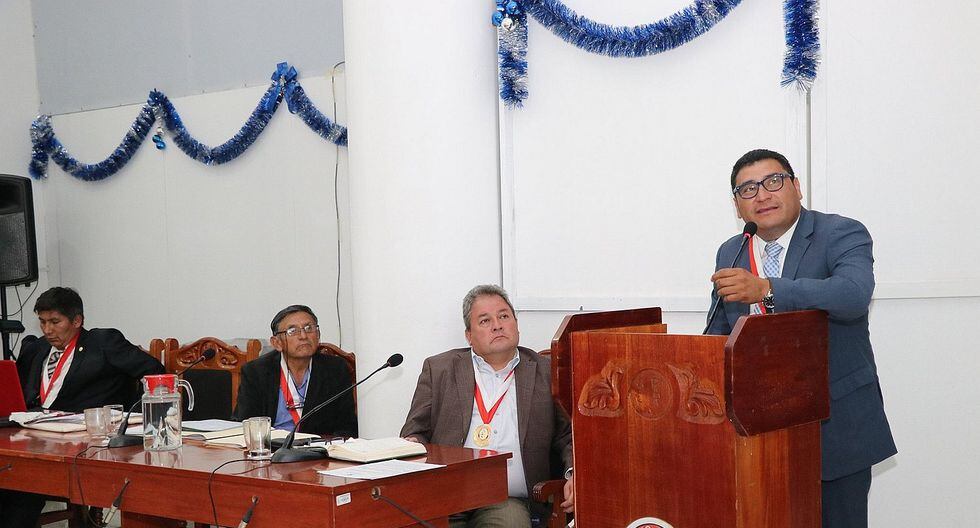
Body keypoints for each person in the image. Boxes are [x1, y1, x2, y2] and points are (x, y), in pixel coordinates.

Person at [706, 149, 897, 528]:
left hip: (833, 424)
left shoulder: (840, 233)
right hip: (756, 429)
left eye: (773, 181)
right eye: (748, 189)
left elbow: (853, 295)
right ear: (737, 205)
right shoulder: (732, 250)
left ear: (796, 186)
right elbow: (720, 330)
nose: (762, 195)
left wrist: (767, 289)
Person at [401, 285, 574, 528]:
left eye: (504, 316)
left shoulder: (546, 371)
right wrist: (411, 444)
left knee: (510, 523)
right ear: (469, 336)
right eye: (485, 320)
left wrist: (574, 474)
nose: (497, 325)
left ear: (516, 324)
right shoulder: (439, 369)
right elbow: (414, 432)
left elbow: (569, 436)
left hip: (507, 499)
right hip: (445, 495)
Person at [3, 286, 165, 527]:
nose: (47, 330)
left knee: (21, 488)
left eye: (55, 322)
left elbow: (155, 374)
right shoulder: (36, 349)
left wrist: (128, 419)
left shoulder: (103, 342)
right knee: (10, 479)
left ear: (77, 321)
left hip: (80, 445)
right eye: (42, 322)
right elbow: (17, 391)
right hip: (33, 439)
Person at [233, 305, 356, 438]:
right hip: (272, 445)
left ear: (318, 335)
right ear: (277, 343)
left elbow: (347, 425)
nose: (303, 336)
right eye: (292, 331)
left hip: (317, 446)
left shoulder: (335, 369)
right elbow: (246, 423)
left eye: (309, 328)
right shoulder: (256, 371)